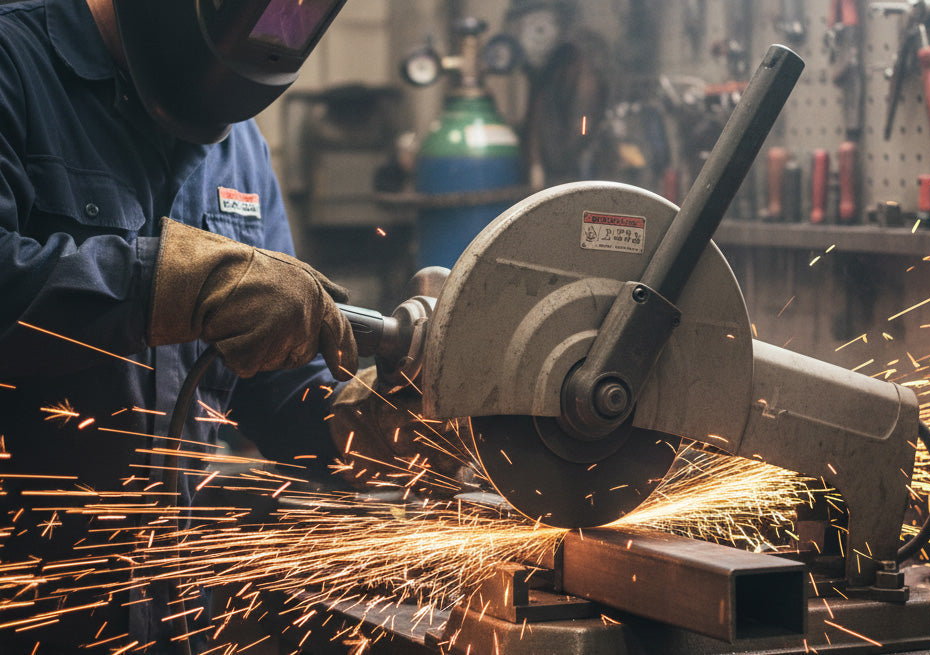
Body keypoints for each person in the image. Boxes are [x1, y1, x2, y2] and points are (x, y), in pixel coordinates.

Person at [0, 0, 420, 652]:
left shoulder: (237, 143)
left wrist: (358, 423)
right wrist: (170, 284)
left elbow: (273, 380)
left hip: (176, 617)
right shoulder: (14, 64)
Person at [503, 0, 610, 188]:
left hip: (574, 180)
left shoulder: (579, 66)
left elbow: (580, 131)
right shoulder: (544, 78)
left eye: (540, 28)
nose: (534, 38)